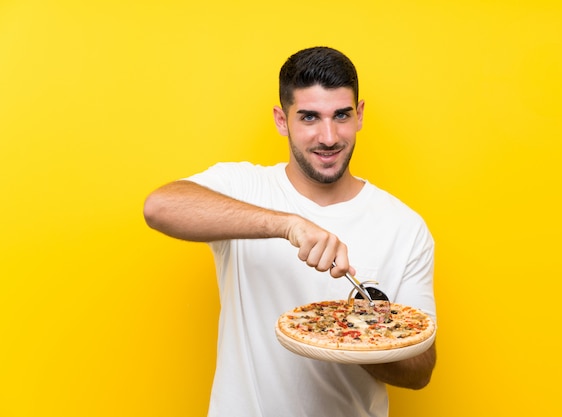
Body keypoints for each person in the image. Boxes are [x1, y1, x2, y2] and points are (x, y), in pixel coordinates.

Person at [143, 46, 436, 417]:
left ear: (359, 115)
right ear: (282, 120)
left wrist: (351, 333)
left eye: (341, 115)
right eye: (309, 117)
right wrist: (286, 224)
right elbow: (159, 206)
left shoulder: (404, 227)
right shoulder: (245, 187)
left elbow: (420, 370)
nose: (328, 137)